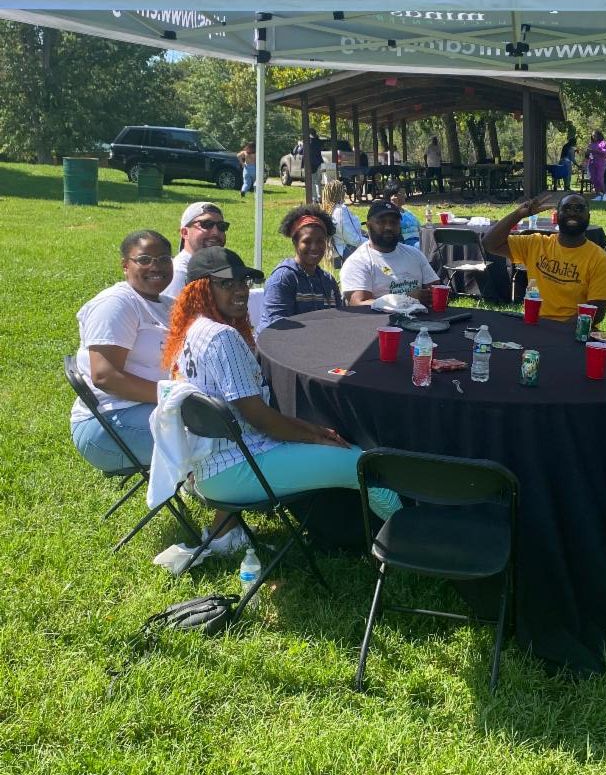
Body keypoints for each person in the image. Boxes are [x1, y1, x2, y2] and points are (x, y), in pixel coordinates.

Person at [160, 247, 399, 553]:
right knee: (363, 464)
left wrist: (310, 431)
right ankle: (410, 540)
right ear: (199, 289)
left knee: (326, 443)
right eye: (226, 283)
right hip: (237, 468)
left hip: (207, 466)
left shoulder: (190, 330)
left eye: (243, 282)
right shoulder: (221, 336)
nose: (240, 290)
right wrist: (314, 434)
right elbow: (260, 418)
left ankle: (224, 535)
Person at [70, 230, 173, 471]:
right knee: (218, 436)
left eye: (163, 259)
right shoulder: (117, 304)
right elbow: (105, 377)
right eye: (144, 259)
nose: (156, 266)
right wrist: (175, 397)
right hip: (108, 425)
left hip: (151, 409)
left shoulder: (168, 305)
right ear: (126, 265)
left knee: (225, 423)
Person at [483, 192, 606, 322]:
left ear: (588, 216)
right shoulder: (536, 244)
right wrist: (519, 214)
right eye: (566, 208)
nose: (572, 212)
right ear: (557, 216)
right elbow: (489, 243)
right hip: (535, 325)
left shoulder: (600, 259)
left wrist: (557, 329)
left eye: (579, 209)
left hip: (572, 331)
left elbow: (596, 312)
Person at [258, 205, 342, 331]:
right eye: (307, 241)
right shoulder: (283, 279)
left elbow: (338, 319)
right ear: (295, 242)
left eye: (320, 241)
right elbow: (279, 326)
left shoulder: (328, 281)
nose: (314, 247)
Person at [340, 201, 439, 305]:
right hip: (379, 316)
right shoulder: (358, 262)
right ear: (368, 225)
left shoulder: (414, 254)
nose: (388, 227)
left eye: (393, 222)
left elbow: (435, 288)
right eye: (381, 222)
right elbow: (358, 304)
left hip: (421, 315)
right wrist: (406, 299)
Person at [162, 202, 228, 300]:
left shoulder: (222, 269)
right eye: (207, 224)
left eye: (221, 226)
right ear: (185, 233)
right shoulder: (178, 274)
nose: (216, 232)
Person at [321, 179, 364, 265]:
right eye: (343, 189)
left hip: (334, 253)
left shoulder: (326, 210)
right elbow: (353, 239)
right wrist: (371, 242)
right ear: (340, 192)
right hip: (345, 252)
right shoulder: (341, 210)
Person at [384, 180, 421, 247]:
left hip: (419, 239)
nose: (405, 196)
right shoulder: (388, 213)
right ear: (393, 196)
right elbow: (393, 228)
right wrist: (394, 206)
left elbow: (419, 227)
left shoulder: (407, 212)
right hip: (405, 242)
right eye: (402, 194)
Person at [586, 130, 606, 201]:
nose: (593, 137)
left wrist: (595, 151)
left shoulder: (603, 143)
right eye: (592, 135)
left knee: (599, 179)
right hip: (592, 163)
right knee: (593, 179)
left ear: (599, 135)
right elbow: (587, 155)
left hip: (600, 163)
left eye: (595, 135)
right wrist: (587, 152)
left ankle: (604, 194)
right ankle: (598, 195)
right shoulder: (591, 144)